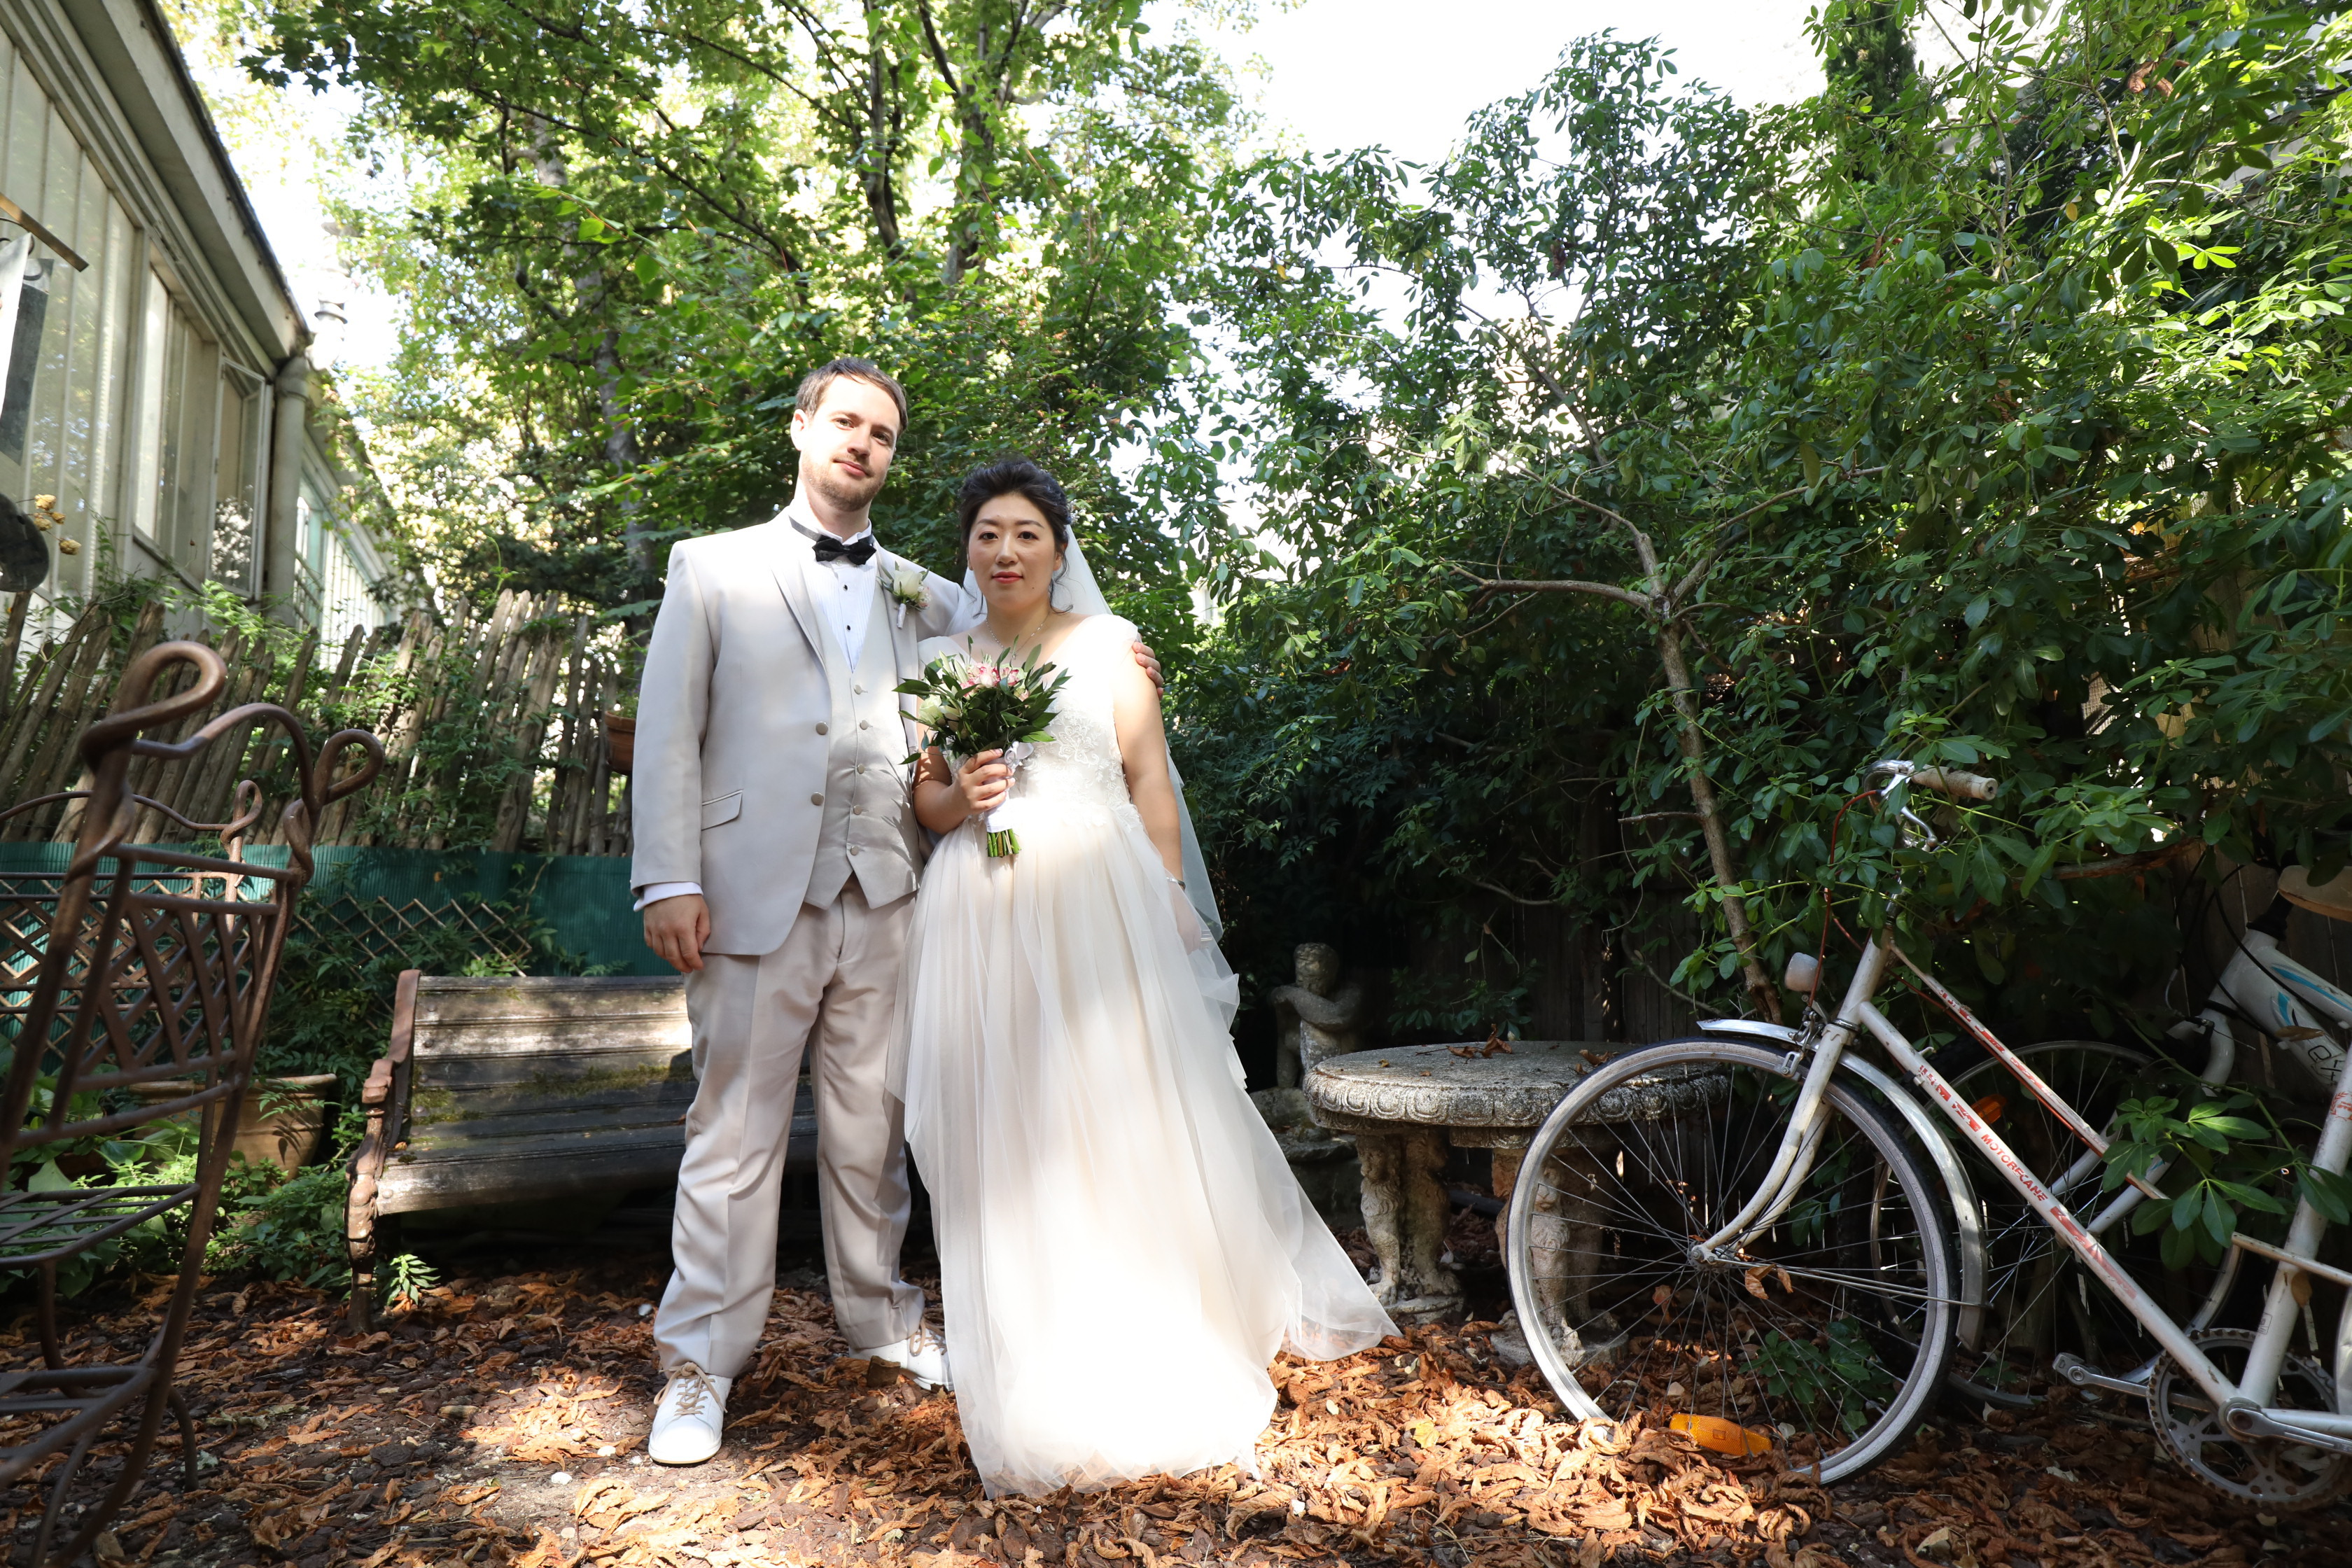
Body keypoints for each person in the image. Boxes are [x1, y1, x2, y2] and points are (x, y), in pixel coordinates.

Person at [629, 363, 1162, 1466]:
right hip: (749, 895)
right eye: (845, 422)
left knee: (872, 1132)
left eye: (882, 433)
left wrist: (1118, 649)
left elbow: (1020, 641)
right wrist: (668, 878)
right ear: (802, 429)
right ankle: (698, 1366)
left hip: (890, 896)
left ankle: (880, 1322)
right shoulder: (711, 567)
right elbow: (667, 732)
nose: (863, 443)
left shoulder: (929, 593)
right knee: (733, 1135)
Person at [895, 457, 1396, 1497]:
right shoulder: (940, 663)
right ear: (967, 551)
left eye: (1026, 533)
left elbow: (1149, 779)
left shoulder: (1111, 648)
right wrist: (963, 794)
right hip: (981, 908)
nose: (1006, 552)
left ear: (1057, 549)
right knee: (1015, 1122)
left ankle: (1156, 1326)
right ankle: (1038, 1340)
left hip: (1098, 905)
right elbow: (927, 801)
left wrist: (1169, 900)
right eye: (988, 533)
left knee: (1119, 1108)